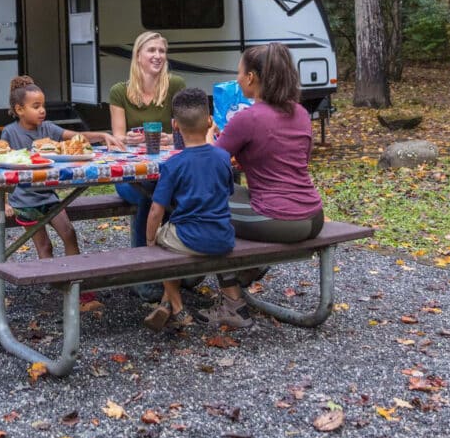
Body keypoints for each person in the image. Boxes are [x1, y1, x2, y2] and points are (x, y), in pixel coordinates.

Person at [209, 42, 324, 327]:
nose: (237, 78)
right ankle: (246, 269)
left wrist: (211, 136)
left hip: (278, 218)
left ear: (251, 77)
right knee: (233, 196)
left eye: (239, 72)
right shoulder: (300, 113)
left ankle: (233, 303)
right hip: (313, 215)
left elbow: (209, 164)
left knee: (204, 209)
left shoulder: (247, 118)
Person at [143, 88, 242, 332]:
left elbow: (156, 209)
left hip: (191, 238)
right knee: (171, 236)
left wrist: (149, 240)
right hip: (223, 237)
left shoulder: (173, 164)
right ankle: (165, 304)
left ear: (175, 126)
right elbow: (227, 192)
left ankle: (176, 306)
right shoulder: (222, 157)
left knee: (161, 242)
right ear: (210, 121)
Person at [1, 76, 122, 260]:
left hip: (48, 196)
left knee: (69, 234)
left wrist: (102, 135)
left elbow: (77, 137)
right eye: (36, 107)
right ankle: (51, 284)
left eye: (43, 106)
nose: (42, 111)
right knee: (45, 246)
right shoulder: (10, 132)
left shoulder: (48, 128)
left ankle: (74, 282)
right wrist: (5, 201)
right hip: (24, 201)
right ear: (19, 110)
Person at [107, 31, 186, 252]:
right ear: (138, 55)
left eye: (162, 51)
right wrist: (127, 138)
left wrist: (169, 138)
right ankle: (144, 263)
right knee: (149, 195)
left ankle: (175, 260)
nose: (158, 55)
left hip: (168, 171)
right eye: (151, 50)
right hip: (131, 175)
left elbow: (187, 131)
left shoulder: (176, 85)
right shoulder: (119, 92)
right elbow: (118, 137)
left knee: (169, 193)